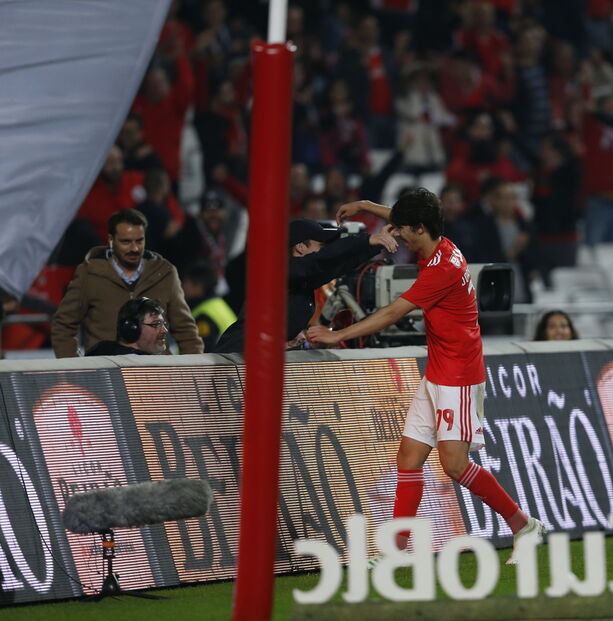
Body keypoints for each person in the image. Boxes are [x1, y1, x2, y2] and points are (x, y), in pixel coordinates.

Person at [307, 188, 545, 563]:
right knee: (408, 458)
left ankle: (523, 525)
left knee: (453, 465)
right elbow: (407, 218)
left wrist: (336, 335)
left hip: (460, 376)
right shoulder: (438, 242)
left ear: (420, 228)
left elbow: (391, 313)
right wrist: (367, 206)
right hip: (439, 370)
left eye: (403, 230)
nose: (397, 235)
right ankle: (397, 551)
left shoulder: (442, 268)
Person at [213, 218, 398, 353]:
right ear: (300, 247)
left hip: (256, 360)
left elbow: (335, 266)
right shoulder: (278, 269)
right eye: (321, 245)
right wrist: (366, 240)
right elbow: (320, 261)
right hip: (234, 357)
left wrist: (376, 244)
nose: (325, 250)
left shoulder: (302, 277)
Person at [51, 208, 203, 357]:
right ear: (111, 240)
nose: (134, 248)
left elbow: (186, 330)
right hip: (108, 372)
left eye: (139, 241)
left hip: (157, 373)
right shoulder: (89, 274)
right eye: (126, 242)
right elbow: (63, 326)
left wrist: (191, 373)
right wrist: (76, 370)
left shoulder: (165, 273)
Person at [181, 260, 237, 352]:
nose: (182, 286)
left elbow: (201, 355)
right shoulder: (217, 304)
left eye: (186, 282)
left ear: (198, 287)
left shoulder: (205, 315)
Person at [85, 297, 170, 355]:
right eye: (156, 324)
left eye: (164, 324)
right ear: (132, 329)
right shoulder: (122, 369)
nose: (164, 330)